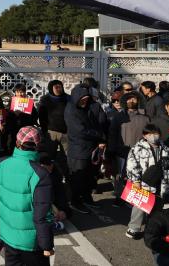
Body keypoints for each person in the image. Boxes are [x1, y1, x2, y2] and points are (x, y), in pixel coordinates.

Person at [0, 126, 54, 266]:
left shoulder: (0, 164)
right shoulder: (40, 174)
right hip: (31, 242)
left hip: (7, 234)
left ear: (17, 143)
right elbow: (42, 214)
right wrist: (46, 245)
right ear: (37, 146)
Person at [126, 124, 169, 239]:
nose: (153, 136)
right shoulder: (137, 148)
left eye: (156, 133)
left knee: (158, 206)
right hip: (145, 182)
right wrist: (136, 180)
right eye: (150, 134)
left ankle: (152, 228)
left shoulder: (165, 148)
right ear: (144, 135)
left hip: (162, 182)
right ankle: (133, 229)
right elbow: (132, 165)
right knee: (140, 206)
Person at [65, 84, 107, 213]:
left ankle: (87, 198)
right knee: (78, 178)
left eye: (86, 99)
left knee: (89, 177)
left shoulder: (87, 108)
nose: (85, 102)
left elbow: (97, 123)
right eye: (82, 99)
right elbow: (81, 131)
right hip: (78, 150)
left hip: (89, 148)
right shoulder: (71, 110)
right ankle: (75, 201)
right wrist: (99, 135)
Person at [108, 91, 151, 206]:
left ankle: (134, 199)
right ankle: (119, 197)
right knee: (120, 176)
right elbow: (112, 134)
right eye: (128, 99)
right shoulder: (119, 117)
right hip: (122, 151)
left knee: (137, 176)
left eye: (134, 99)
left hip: (140, 153)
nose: (131, 101)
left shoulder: (145, 118)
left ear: (139, 100)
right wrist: (111, 150)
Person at [38, 80, 70, 169]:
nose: (58, 89)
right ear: (51, 88)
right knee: (50, 155)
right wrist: (44, 130)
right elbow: (41, 116)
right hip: (51, 132)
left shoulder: (68, 99)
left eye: (60, 87)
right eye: (56, 87)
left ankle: (66, 174)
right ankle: (50, 175)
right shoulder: (45, 99)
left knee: (66, 156)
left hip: (66, 133)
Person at [6, 83, 39, 154]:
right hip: (13, 130)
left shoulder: (29, 102)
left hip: (25, 131)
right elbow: (6, 116)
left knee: (24, 147)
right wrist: (14, 114)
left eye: (21, 92)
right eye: (17, 92)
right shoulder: (12, 102)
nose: (20, 94)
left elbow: (35, 116)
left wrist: (27, 113)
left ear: (24, 92)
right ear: (15, 93)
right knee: (11, 147)